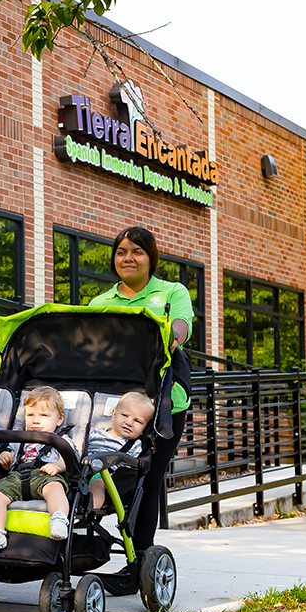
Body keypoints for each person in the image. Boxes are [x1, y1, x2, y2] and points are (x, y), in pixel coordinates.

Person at [87, 226, 193, 557]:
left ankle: (139, 563)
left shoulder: (173, 292)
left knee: (148, 481)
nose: (128, 258)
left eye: (137, 251)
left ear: (151, 258)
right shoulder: (101, 301)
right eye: (121, 252)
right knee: (101, 475)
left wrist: (167, 338)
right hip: (115, 406)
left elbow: (181, 327)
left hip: (163, 405)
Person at [0, 386, 72, 555]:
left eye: (43, 415)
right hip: (17, 476)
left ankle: (59, 518)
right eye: (31, 415)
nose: (36, 420)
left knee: (55, 489)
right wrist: (6, 458)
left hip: (45, 475)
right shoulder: (19, 437)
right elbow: (10, 458)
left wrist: (57, 466)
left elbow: (69, 458)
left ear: (59, 419)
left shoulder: (61, 439)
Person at [85, 392, 154, 510]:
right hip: (81, 470)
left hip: (105, 476)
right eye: (125, 415)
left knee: (98, 484)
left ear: (144, 428)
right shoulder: (96, 433)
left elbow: (132, 468)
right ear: (114, 414)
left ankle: (90, 510)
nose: (129, 422)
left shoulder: (135, 446)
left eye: (137, 421)